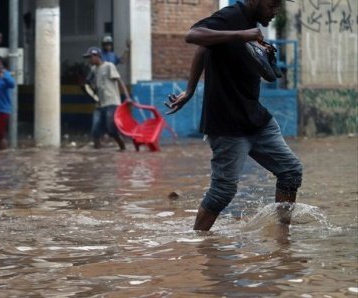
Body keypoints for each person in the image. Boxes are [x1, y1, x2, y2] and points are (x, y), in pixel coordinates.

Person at [164, 0, 302, 231]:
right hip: (227, 124)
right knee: (223, 192)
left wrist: (258, 47)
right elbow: (194, 36)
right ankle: (199, 241)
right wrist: (241, 35)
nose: (274, 13)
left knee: (290, 171)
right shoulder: (232, 16)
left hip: (256, 119)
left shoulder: (250, 24)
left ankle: (282, 237)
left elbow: (205, 48)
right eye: (272, 7)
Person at [82, 47, 131, 150]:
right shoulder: (93, 69)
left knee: (111, 129)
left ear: (97, 56)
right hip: (100, 104)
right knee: (95, 130)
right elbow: (88, 83)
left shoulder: (109, 66)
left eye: (90, 57)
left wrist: (127, 97)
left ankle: (122, 148)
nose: (89, 60)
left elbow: (119, 81)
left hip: (112, 102)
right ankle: (97, 153)